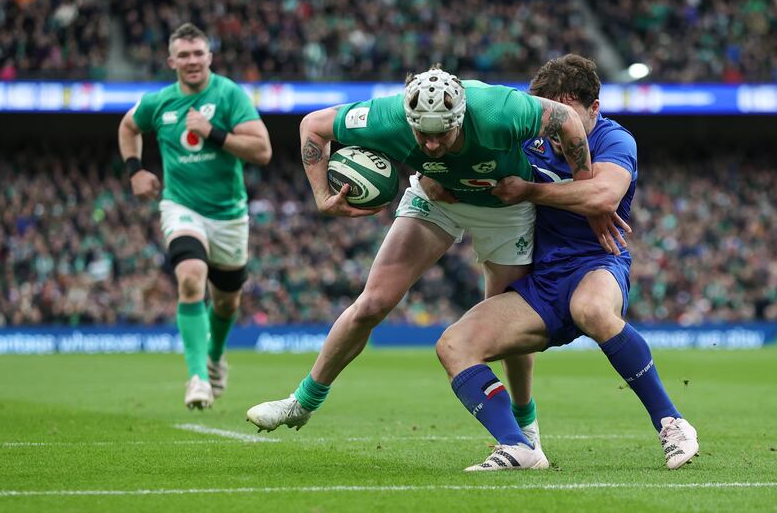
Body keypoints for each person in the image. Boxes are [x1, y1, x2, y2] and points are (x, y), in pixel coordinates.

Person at [246, 65, 593, 446]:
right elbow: (313, 125)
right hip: (437, 200)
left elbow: (569, 121)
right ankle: (303, 401)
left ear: (460, 116)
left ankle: (526, 425)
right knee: (373, 303)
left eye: (441, 133)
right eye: (421, 134)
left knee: (504, 324)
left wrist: (585, 194)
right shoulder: (387, 115)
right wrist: (321, 197)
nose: (430, 145)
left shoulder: (500, 109)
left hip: (505, 208)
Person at [435, 54, 699, 471]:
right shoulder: (529, 137)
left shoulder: (615, 140)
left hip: (597, 265)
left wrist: (528, 190)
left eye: (568, 116)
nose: (558, 130)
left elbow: (603, 197)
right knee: (453, 344)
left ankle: (671, 421)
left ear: (594, 108)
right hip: (538, 285)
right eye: (550, 118)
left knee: (590, 308)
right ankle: (518, 446)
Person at [118, 23, 272, 409]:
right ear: (171, 61)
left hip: (229, 215)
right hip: (181, 206)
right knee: (190, 278)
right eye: (183, 55)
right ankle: (198, 379)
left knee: (226, 304)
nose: (191, 61)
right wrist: (136, 169)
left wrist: (214, 133)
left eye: (198, 53)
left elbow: (263, 150)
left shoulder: (229, 94)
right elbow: (128, 126)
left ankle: (215, 356)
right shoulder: (160, 102)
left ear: (209, 57)